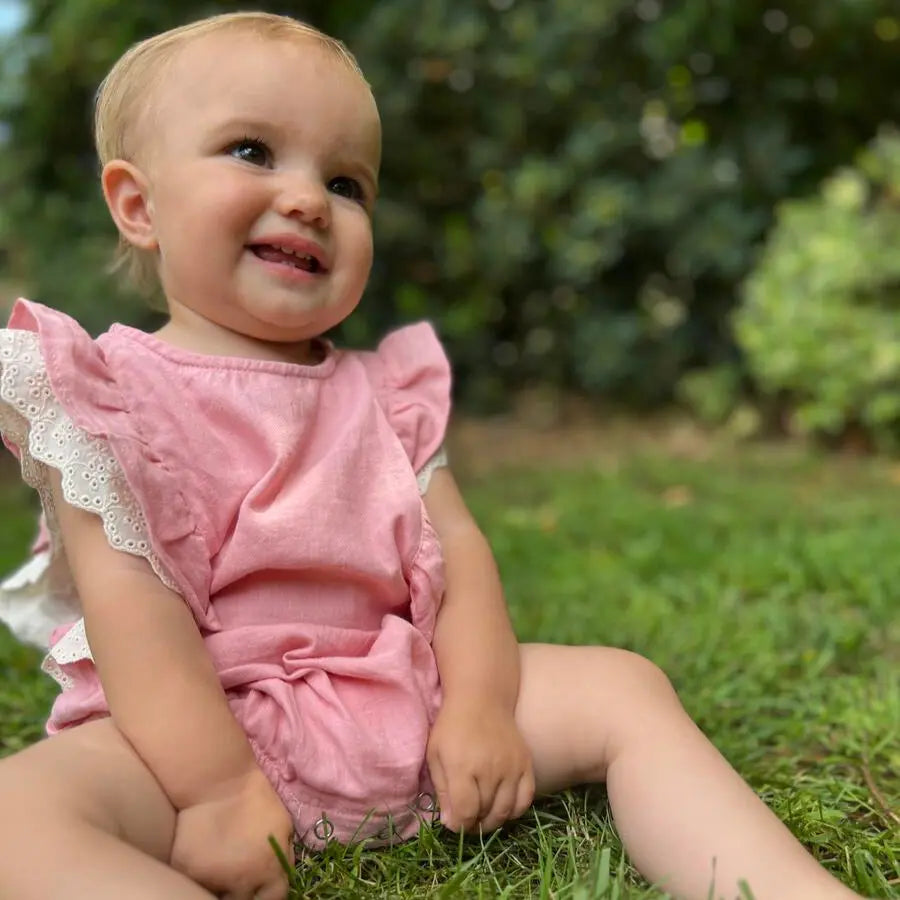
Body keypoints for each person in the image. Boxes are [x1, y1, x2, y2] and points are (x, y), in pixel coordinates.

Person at [0, 12, 866, 900]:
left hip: (402, 703)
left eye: (346, 182)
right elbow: (130, 612)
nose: (307, 199)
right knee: (16, 817)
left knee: (625, 689)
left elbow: (460, 562)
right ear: (139, 206)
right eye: (253, 152)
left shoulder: (387, 394)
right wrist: (216, 791)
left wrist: (482, 708)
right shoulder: (106, 396)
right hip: (203, 731)